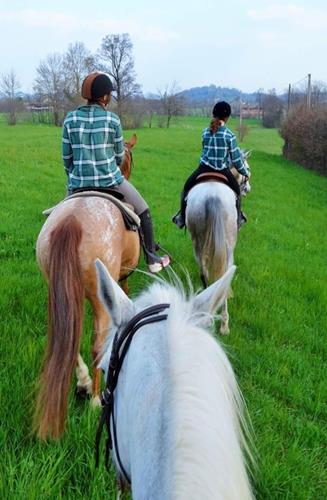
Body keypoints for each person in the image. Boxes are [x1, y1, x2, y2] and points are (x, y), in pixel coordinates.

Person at [62, 71, 170, 273]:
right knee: (144, 210)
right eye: (109, 94)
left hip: (77, 184)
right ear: (104, 97)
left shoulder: (70, 119)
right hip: (110, 181)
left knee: (58, 218)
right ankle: (152, 259)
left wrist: (75, 176)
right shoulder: (113, 120)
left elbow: (67, 159)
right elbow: (120, 156)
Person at [172, 101, 249, 229]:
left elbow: (205, 151)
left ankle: (181, 218)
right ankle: (238, 219)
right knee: (237, 193)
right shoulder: (230, 136)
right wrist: (245, 173)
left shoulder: (204, 133)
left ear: (213, 114)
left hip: (203, 169)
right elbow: (236, 160)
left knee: (186, 189)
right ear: (227, 117)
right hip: (222, 171)